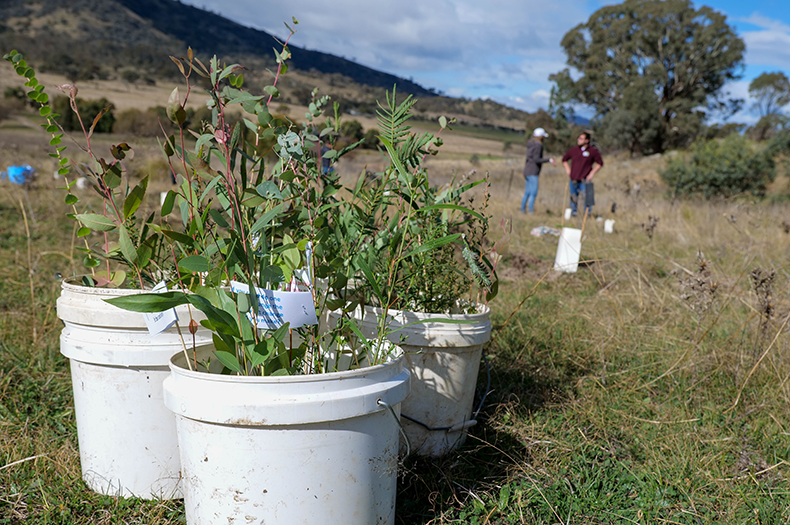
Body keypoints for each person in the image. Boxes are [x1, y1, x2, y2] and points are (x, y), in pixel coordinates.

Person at [561, 131, 603, 217]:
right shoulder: (574, 150)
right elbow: (564, 159)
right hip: (573, 179)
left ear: (586, 140)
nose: (578, 140)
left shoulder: (592, 151)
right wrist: (568, 170)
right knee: (573, 197)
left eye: (581, 138)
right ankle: (573, 213)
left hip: (585, 179)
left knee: (587, 197)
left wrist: (591, 174)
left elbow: (600, 163)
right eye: (578, 138)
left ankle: (587, 214)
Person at [521, 127, 554, 213]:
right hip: (533, 171)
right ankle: (530, 211)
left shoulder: (530, 144)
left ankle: (522, 209)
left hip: (527, 170)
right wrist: (549, 160)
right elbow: (537, 159)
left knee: (527, 192)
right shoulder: (538, 146)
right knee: (533, 192)